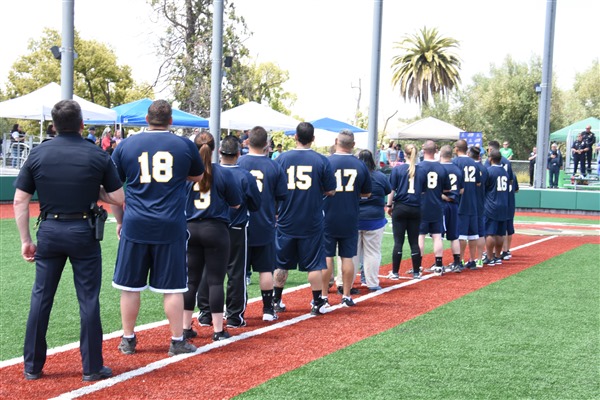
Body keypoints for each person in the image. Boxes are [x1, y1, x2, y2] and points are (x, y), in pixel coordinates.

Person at [13, 99, 124, 381]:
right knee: (88, 299)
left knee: (41, 298)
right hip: (83, 231)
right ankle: (91, 367)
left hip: (49, 230)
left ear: (53, 125)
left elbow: (20, 200)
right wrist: (96, 192)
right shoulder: (97, 155)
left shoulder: (37, 153)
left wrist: (26, 239)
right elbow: (119, 198)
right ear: (81, 124)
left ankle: (32, 366)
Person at [110, 100, 204, 356]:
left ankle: (127, 339)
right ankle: (176, 341)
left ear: (146, 119)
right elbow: (197, 176)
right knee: (173, 287)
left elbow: (114, 188)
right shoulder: (184, 145)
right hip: (170, 224)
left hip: (136, 223)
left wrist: (119, 220)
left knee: (130, 286)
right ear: (170, 120)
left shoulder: (126, 145)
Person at [197, 135, 260, 329]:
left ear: (220, 152)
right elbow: (255, 204)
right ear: (239, 153)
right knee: (236, 273)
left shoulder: (206, 171)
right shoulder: (244, 175)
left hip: (207, 225)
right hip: (235, 228)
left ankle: (205, 313)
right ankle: (233, 316)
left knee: (206, 271)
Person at [273, 122, 336, 315]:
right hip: (311, 220)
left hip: (286, 218)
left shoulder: (281, 159)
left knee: (281, 263)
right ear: (313, 138)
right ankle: (317, 302)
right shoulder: (321, 160)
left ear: (295, 137)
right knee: (315, 263)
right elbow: (331, 190)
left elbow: (274, 187)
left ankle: (276, 301)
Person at [184, 132, 241, 341]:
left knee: (191, 281)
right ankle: (218, 330)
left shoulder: (186, 174)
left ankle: (184, 328)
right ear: (216, 149)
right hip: (216, 229)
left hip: (190, 228)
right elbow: (236, 203)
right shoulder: (224, 174)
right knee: (215, 281)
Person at [237, 126, 288, 321]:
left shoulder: (239, 162)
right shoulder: (274, 166)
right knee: (265, 269)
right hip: (265, 221)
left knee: (238, 271)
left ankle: (235, 310)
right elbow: (282, 195)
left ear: (248, 142)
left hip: (240, 224)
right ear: (267, 144)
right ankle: (267, 309)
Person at [322, 130, 372, 307]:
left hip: (327, 215)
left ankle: (323, 296)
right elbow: (367, 192)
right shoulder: (360, 165)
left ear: (336, 142)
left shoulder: (326, 161)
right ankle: (346, 295)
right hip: (350, 214)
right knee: (347, 257)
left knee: (327, 257)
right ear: (353, 144)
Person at [353, 149, 391, 290]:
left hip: (355, 218)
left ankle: (346, 283)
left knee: (352, 253)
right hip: (374, 219)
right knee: (373, 253)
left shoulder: (354, 175)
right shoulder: (380, 176)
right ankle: (372, 283)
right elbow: (388, 190)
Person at [387, 144, 425, 279]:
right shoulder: (421, 170)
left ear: (405, 154)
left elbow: (391, 190)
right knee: (414, 241)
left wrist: (389, 205)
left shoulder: (398, 170)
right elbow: (423, 191)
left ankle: (395, 272)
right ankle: (416, 272)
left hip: (401, 207)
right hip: (415, 207)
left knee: (398, 241)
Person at [418, 140, 451, 274]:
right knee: (437, 236)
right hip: (437, 205)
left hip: (421, 206)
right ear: (436, 151)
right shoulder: (441, 168)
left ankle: (417, 266)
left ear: (423, 150)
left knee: (420, 236)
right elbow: (447, 190)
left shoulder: (419, 167)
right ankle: (438, 264)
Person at [452, 139, 481, 270]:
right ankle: (472, 260)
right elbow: (478, 182)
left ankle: (461, 260)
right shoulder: (474, 163)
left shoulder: (455, 162)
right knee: (473, 233)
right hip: (473, 201)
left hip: (461, 201)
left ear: (457, 149)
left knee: (462, 234)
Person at [482, 149, 509, 266]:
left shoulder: (489, 171)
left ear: (490, 159)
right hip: (504, 204)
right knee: (500, 233)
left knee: (490, 233)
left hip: (491, 205)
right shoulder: (505, 172)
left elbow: (483, 188)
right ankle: (498, 256)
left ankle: (489, 256)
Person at [439, 145, 464, 272]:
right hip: (454, 204)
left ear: (441, 155)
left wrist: (444, 196)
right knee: (454, 235)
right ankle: (457, 262)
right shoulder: (458, 169)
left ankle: (438, 264)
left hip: (442, 204)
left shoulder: (439, 168)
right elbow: (462, 190)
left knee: (438, 235)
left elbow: (434, 189)